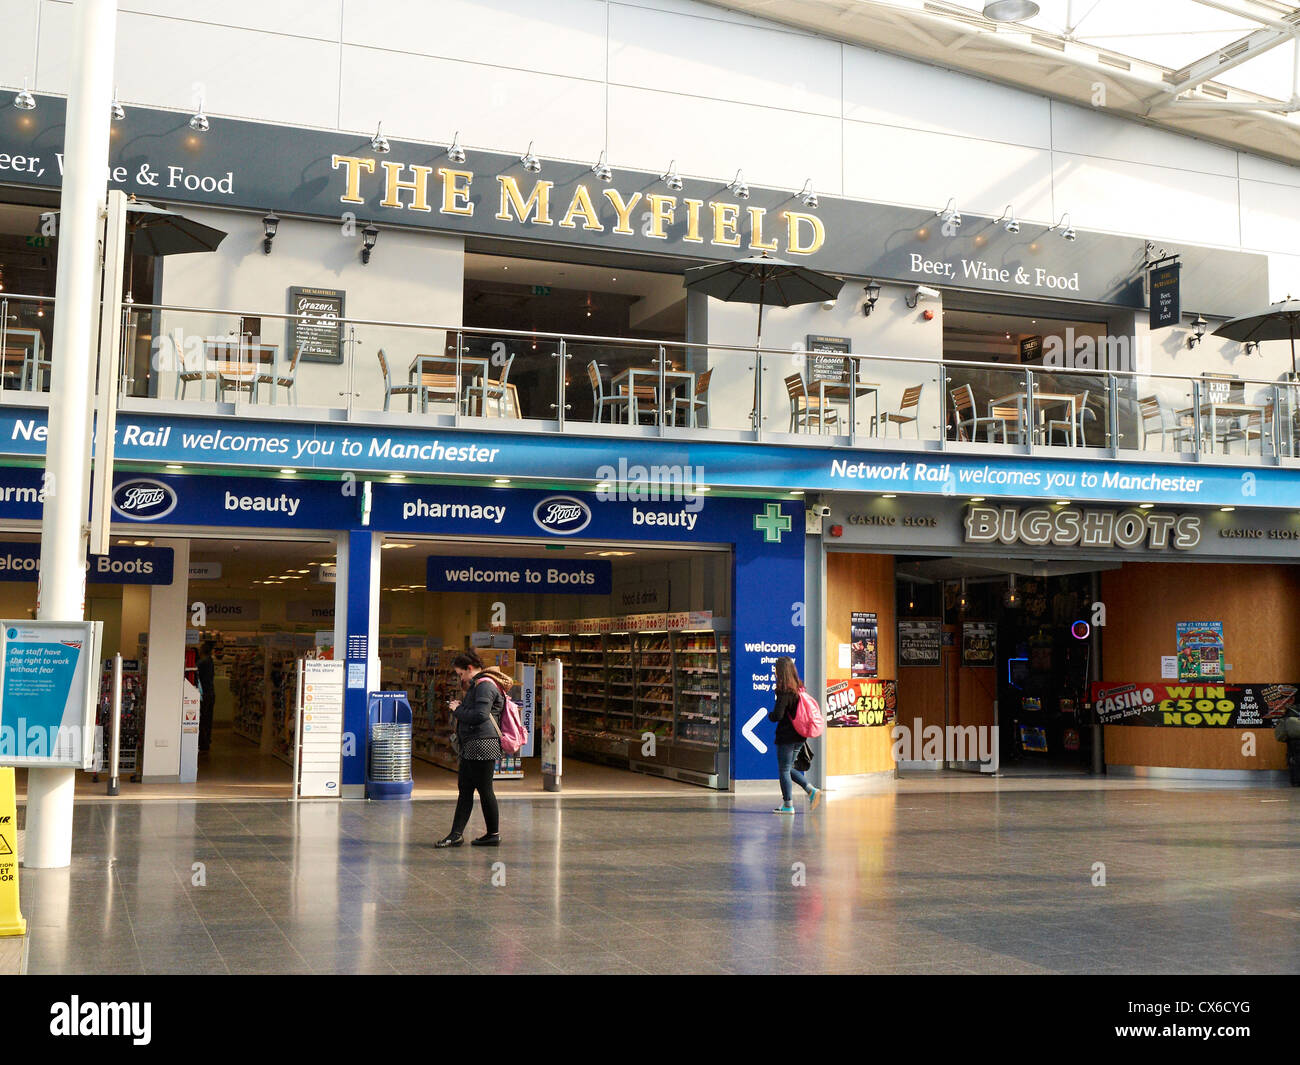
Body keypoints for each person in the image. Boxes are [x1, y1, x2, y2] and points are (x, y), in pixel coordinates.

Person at [435, 649, 513, 848]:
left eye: (461, 673)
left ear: (469, 668)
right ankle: (460, 834)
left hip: (481, 744)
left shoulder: (484, 685)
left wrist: (458, 709)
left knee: (481, 789)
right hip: (476, 743)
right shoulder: (481, 684)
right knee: (469, 789)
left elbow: (480, 715)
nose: (460, 678)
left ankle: (484, 834)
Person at [768, 656, 820, 814]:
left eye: (776, 668)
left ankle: (788, 804)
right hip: (800, 736)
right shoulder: (799, 688)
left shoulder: (784, 691)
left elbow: (777, 715)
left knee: (784, 769)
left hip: (786, 737)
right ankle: (810, 789)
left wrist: (770, 715)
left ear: (781, 671)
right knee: (788, 768)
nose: (775, 671)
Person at [196, 640, 216, 754]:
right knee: (208, 719)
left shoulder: (202, 662)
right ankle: (206, 741)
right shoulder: (210, 661)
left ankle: (202, 742)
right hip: (210, 693)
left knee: (202, 719)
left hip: (204, 694)